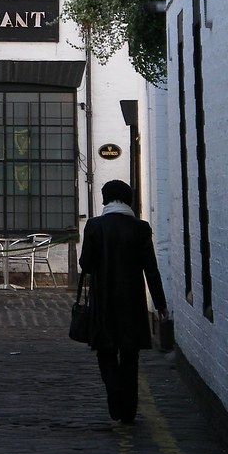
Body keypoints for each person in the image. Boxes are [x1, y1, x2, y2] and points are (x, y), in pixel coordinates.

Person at [79, 179, 169, 424]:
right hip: (132, 302)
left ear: (105, 199)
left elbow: (85, 264)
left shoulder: (94, 226)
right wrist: (160, 304)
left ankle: (114, 393)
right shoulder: (140, 228)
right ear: (128, 199)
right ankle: (128, 410)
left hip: (104, 300)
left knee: (105, 352)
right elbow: (151, 270)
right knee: (130, 356)